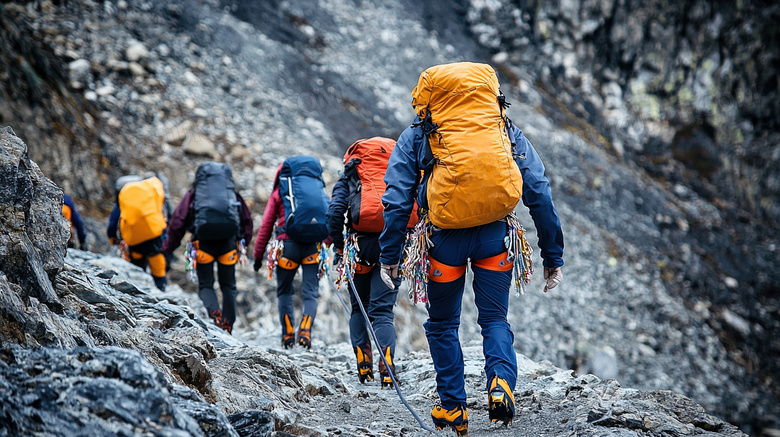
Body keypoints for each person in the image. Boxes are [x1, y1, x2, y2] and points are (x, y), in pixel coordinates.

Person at [379, 62, 564, 436]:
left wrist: (390, 256)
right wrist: (552, 256)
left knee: (443, 323)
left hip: (443, 241)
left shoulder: (418, 134)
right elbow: (539, 191)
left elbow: (397, 200)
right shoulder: (501, 128)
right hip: (496, 236)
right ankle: (500, 385)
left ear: (430, 99)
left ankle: (454, 409)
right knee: (494, 320)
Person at [327, 137, 416, 387]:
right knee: (382, 312)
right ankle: (387, 367)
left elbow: (334, 214)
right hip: (393, 245)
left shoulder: (351, 176)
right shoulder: (398, 172)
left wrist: (341, 247)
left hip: (359, 248)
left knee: (359, 308)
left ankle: (364, 364)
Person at [162, 162, 253, 335]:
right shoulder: (232, 194)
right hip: (228, 244)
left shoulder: (195, 194)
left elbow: (177, 223)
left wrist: (167, 248)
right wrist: (243, 243)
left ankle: (214, 316)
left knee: (206, 285)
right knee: (229, 286)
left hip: (203, 244)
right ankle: (227, 324)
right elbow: (247, 221)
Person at [253, 156, 330, 349]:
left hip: (286, 247)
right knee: (310, 292)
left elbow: (265, 226)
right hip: (313, 247)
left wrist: (257, 255)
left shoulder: (280, 192)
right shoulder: (318, 190)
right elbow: (328, 217)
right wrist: (328, 242)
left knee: (285, 291)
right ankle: (305, 330)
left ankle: (287, 334)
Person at [107, 175, 169, 291]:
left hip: (135, 242)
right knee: (157, 265)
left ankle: (139, 291)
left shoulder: (123, 200)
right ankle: (162, 289)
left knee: (137, 269)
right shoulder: (148, 196)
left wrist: (113, 238)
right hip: (154, 238)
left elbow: (113, 223)